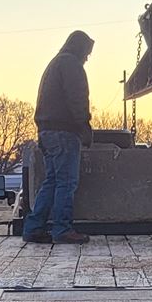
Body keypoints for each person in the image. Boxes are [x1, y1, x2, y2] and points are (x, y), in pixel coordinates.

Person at [24, 31, 95, 245]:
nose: (87, 58)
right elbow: (77, 99)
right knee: (66, 182)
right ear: (80, 48)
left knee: (53, 180)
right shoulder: (71, 65)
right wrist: (84, 126)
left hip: (47, 132)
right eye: (87, 53)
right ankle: (62, 229)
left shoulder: (55, 63)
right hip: (64, 132)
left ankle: (34, 228)